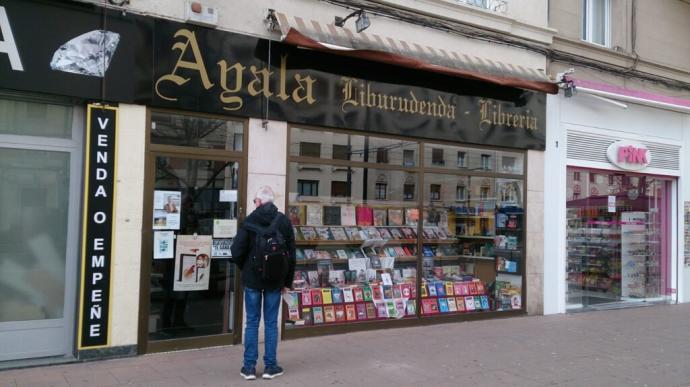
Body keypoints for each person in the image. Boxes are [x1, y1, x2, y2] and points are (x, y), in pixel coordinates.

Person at [231, 186, 296, 380]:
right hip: (275, 281)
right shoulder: (283, 221)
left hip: (252, 280)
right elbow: (291, 254)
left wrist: (247, 268)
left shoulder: (249, 221)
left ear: (259, 201)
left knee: (251, 323)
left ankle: (249, 368)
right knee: (270, 324)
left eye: (254, 201)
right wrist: (287, 281)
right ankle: (270, 366)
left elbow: (236, 251)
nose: (254, 204)